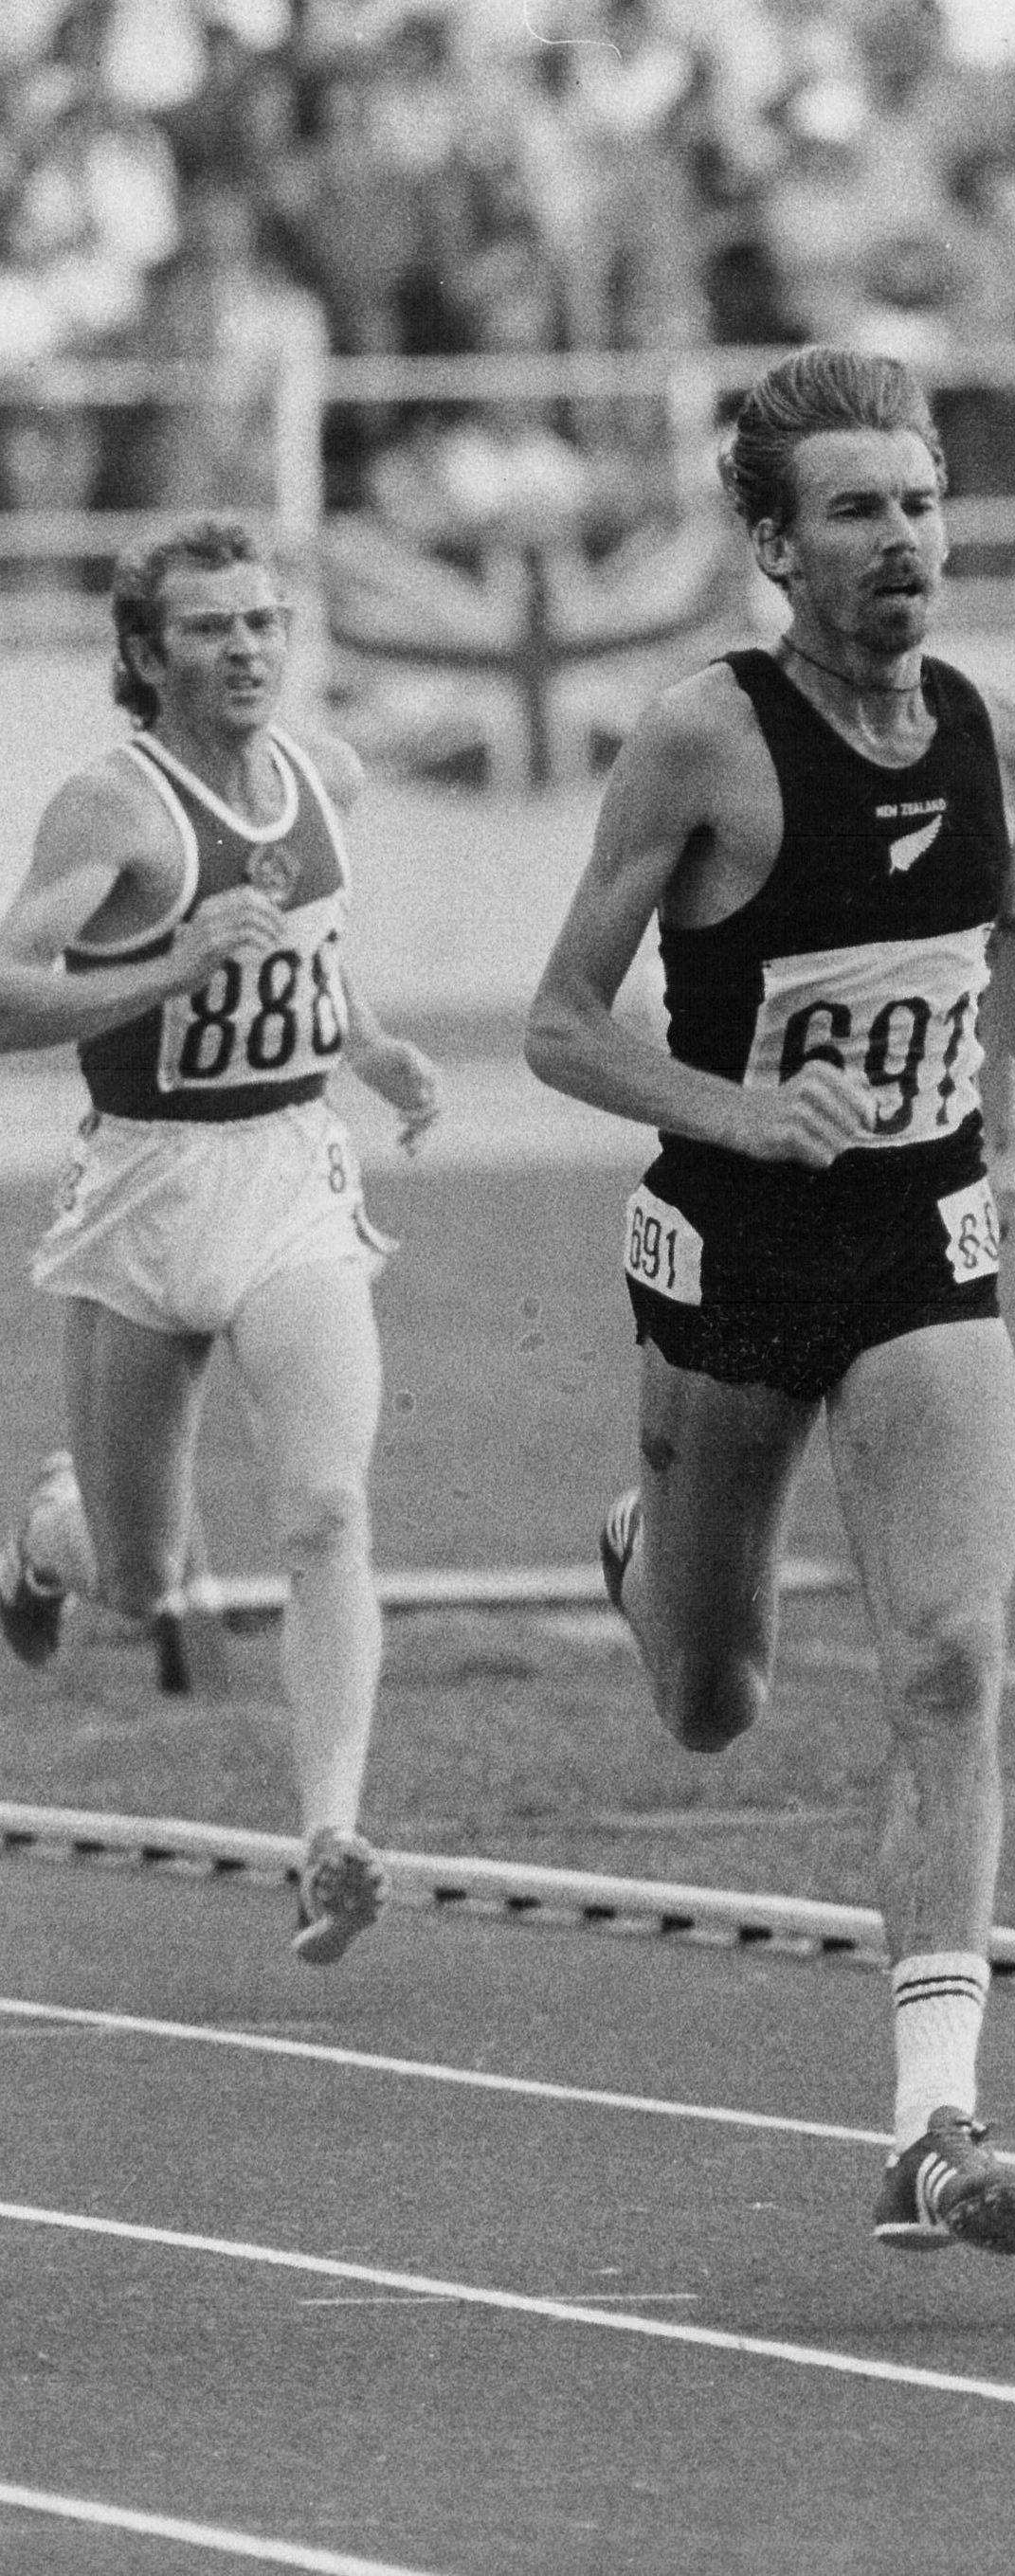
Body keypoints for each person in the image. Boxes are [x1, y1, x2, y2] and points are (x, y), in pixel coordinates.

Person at [525, 347, 1015, 2254]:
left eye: (923, 503)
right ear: (776, 547)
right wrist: (739, 1109)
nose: (903, 541)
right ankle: (651, 1555)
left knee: (949, 1657)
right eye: (858, 510)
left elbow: (1008, 920)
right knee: (712, 1702)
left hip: (920, 1236)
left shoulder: (993, 730)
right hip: (731, 1248)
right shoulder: (700, 741)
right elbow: (560, 1026)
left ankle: (931, 2119)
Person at [0, 514, 441, 1965]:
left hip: (290, 1176)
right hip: (144, 1186)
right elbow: (6, 994)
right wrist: (169, 963)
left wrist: (367, 1045)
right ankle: (50, 1538)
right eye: (208, 627)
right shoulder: (110, 810)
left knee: (325, 1512)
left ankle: (330, 1840)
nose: (246, 648)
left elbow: (307, 949)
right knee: (137, 1577)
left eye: (263, 622)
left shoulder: (328, 775)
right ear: (143, 653)